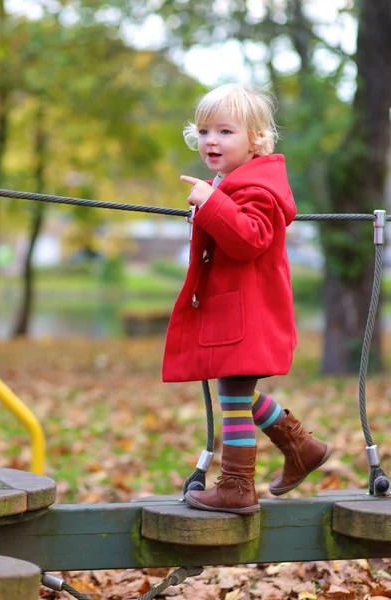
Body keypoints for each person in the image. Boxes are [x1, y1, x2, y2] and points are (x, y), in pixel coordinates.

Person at [162, 83, 331, 514]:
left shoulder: (258, 187)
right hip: (234, 310)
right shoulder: (232, 182)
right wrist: (212, 200)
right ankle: (301, 446)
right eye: (203, 132)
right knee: (236, 392)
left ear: (256, 139)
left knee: (235, 395)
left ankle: (238, 485)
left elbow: (250, 238)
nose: (211, 141)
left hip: (249, 312)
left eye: (224, 131)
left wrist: (211, 201)